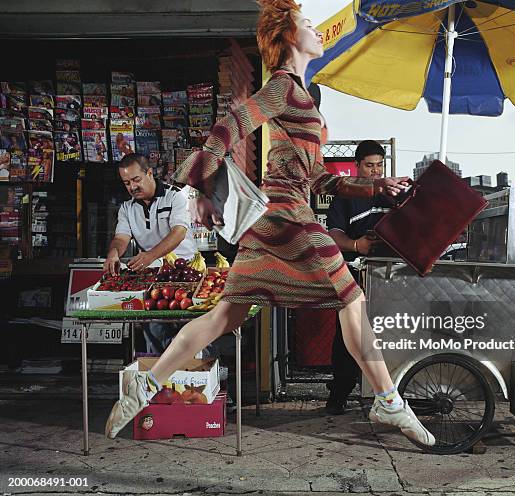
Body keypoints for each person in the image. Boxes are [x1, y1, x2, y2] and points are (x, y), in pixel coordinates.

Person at [105, 0, 435, 448]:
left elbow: (320, 180)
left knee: (224, 315)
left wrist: (377, 188)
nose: (317, 32)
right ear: (287, 39)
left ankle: (147, 384)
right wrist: (204, 187)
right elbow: (229, 126)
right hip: (286, 217)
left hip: (269, 222)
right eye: (307, 25)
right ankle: (388, 400)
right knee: (351, 297)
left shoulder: (302, 98)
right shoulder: (282, 87)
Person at [103, 153, 198, 354]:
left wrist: (151, 255)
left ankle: (197, 375)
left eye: (136, 180)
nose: (132, 187)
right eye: (126, 183)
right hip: (152, 278)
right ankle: (159, 379)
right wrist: (113, 254)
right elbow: (121, 238)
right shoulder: (127, 208)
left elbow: (179, 232)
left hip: (185, 273)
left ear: (149, 173)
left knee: (190, 335)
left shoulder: (175, 197)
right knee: (155, 333)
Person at [325, 140, 394, 415]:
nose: (375, 171)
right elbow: (334, 235)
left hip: (392, 276)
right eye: (369, 166)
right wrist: (356, 246)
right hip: (354, 274)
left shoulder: (393, 193)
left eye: (379, 166)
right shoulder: (345, 197)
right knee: (348, 336)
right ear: (356, 166)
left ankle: (391, 393)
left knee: (392, 334)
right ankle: (339, 393)